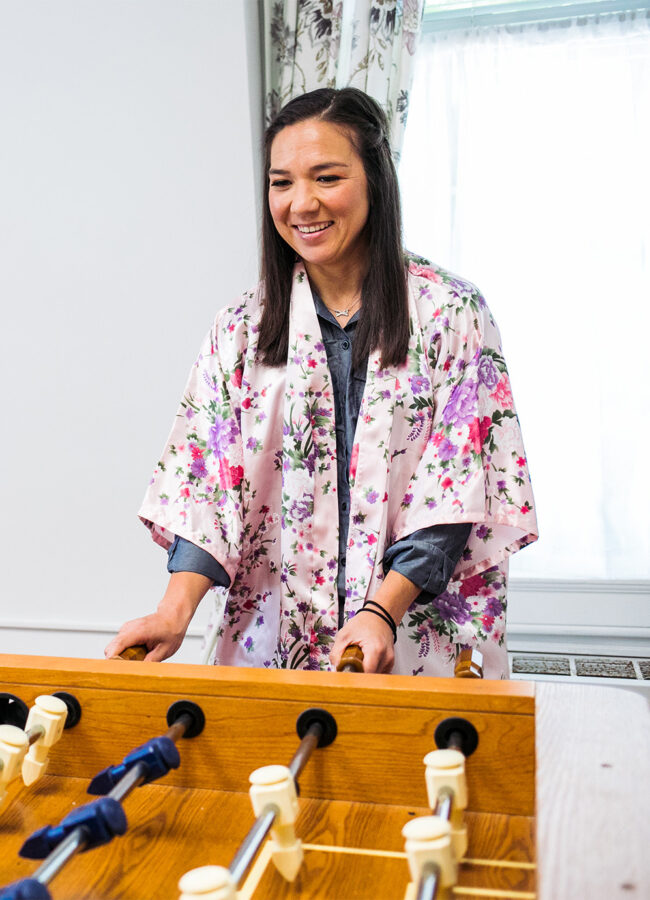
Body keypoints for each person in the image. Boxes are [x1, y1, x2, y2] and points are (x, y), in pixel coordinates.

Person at [105, 88, 537, 677]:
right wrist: (173, 611)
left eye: (326, 177)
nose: (301, 203)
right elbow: (208, 488)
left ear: (375, 180)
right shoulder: (241, 328)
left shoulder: (450, 313)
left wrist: (380, 613)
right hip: (274, 641)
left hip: (411, 636)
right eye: (281, 183)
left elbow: (454, 490)